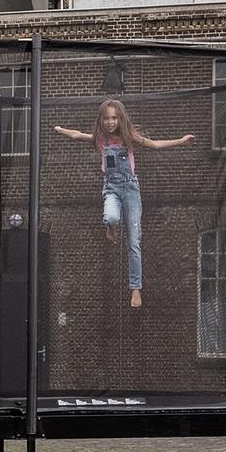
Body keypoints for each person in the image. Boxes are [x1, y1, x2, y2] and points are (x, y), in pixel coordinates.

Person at [54, 100, 194, 308]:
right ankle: (111, 228)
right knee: (111, 217)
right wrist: (60, 129)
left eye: (114, 118)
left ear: (120, 119)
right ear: (101, 120)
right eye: (106, 118)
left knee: (134, 241)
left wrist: (181, 141)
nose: (110, 122)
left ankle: (135, 289)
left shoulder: (129, 138)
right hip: (111, 187)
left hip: (130, 189)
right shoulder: (100, 139)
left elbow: (155, 144)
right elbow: (77, 135)